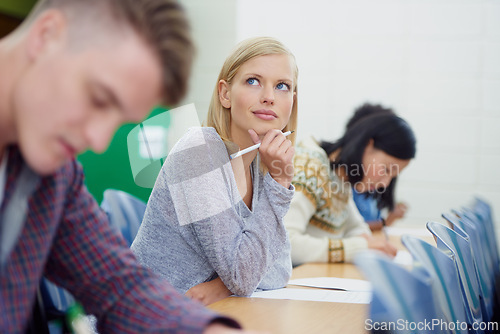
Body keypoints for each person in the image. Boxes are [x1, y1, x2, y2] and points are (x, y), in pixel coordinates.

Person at [0, 0, 247, 332]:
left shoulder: (53, 175)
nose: (98, 140)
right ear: (46, 35)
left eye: (119, 121)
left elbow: (120, 286)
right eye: (99, 99)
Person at [131, 36, 298, 306]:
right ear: (225, 93)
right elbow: (244, 276)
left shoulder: (258, 169)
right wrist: (280, 183)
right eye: (253, 81)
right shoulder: (199, 151)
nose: (268, 97)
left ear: (292, 101)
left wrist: (222, 287)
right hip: (137, 321)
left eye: (282, 86)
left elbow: (280, 270)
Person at [284, 103, 416, 266]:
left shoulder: (339, 178)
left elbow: (357, 230)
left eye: (393, 176)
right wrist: (359, 247)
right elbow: (285, 243)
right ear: (368, 145)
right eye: (386, 169)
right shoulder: (310, 166)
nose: (385, 184)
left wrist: (366, 244)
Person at [347, 104, 410, 231]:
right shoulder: (347, 183)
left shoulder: (373, 182)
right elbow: (351, 230)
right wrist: (387, 221)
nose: (385, 183)